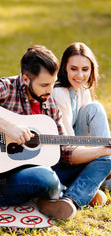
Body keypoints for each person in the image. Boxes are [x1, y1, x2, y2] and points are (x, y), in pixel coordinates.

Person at [0, 45, 111, 219]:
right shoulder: (6, 87)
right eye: (44, 85)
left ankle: (69, 200)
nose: (50, 91)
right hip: (0, 180)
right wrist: (7, 127)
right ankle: (71, 191)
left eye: (52, 83)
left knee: (105, 160)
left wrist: (100, 150)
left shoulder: (49, 103)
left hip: (44, 168)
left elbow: (66, 152)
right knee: (46, 178)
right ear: (26, 80)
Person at [52, 42, 111, 190]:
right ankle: (104, 169)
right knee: (96, 108)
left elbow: (90, 135)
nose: (80, 75)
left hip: (80, 147)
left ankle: (104, 166)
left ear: (91, 69)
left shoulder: (82, 89)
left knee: (94, 108)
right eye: (74, 69)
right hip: (63, 155)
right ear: (64, 67)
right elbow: (68, 144)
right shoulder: (59, 92)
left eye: (85, 69)